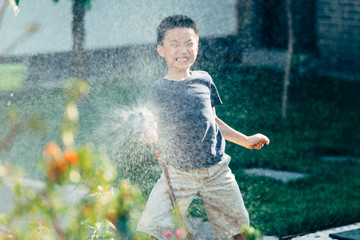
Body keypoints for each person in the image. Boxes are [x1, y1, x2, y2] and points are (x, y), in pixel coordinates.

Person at [136, 15, 270, 240]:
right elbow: (150, 125)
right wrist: (148, 133)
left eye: (189, 43)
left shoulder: (204, 80)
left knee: (237, 229)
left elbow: (214, 122)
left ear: (197, 46)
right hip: (178, 173)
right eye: (175, 44)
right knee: (152, 229)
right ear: (161, 50)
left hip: (216, 170)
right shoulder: (158, 89)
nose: (183, 50)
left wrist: (245, 140)